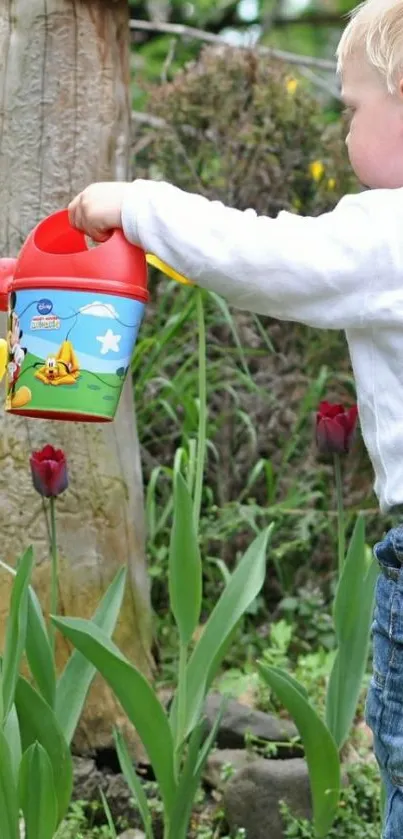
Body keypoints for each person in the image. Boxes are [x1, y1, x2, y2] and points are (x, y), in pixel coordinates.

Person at [69, 1, 403, 834]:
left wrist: (135, 205)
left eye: (351, 107)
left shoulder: (388, 233)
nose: (341, 128)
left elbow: (265, 257)